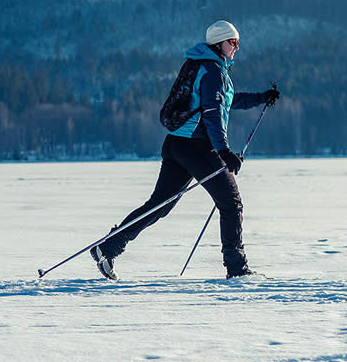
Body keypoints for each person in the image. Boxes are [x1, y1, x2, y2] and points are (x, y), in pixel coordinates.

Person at [90, 20, 279, 280]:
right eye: (233, 42)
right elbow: (213, 114)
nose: (237, 48)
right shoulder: (212, 70)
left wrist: (260, 98)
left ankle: (107, 247)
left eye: (237, 43)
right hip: (197, 146)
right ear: (219, 44)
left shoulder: (203, 66)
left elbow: (225, 101)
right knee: (231, 203)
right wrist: (223, 151)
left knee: (159, 205)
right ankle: (237, 269)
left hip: (176, 144)